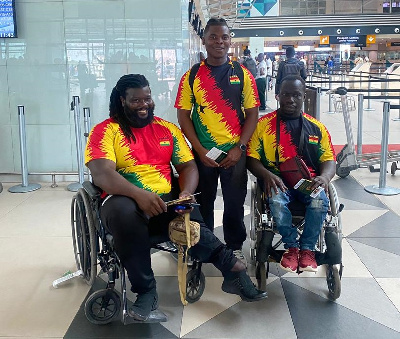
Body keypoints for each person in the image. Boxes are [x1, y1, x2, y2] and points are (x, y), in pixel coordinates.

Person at [85, 74, 267, 322]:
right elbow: (101, 173)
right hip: (122, 201)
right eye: (136, 100)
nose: (143, 105)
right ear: (122, 101)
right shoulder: (106, 131)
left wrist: (185, 192)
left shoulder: (167, 129)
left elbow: (188, 167)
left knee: (189, 208)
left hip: (164, 201)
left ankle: (231, 270)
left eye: (147, 99)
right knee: (125, 212)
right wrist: (138, 195)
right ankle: (146, 293)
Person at [175, 17, 259, 266]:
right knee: (203, 201)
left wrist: (240, 147)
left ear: (230, 40)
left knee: (234, 203)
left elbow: (252, 113)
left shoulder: (242, 75)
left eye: (224, 37)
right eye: (213, 36)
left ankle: (234, 246)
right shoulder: (191, 76)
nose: (219, 42)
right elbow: (183, 115)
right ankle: (206, 247)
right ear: (204, 40)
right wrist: (198, 150)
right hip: (203, 153)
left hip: (235, 150)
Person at [246, 75, 336, 273]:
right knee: (276, 201)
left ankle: (307, 250)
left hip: (308, 181)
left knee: (320, 201)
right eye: (286, 94)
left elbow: (329, 159)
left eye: (296, 95)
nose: (291, 99)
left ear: (304, 96)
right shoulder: (263, 125)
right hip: (277, 180)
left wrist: (324, 177)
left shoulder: (316, 128)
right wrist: (266, 175)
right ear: (277, 95)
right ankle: (291, 247)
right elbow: (251, 158)